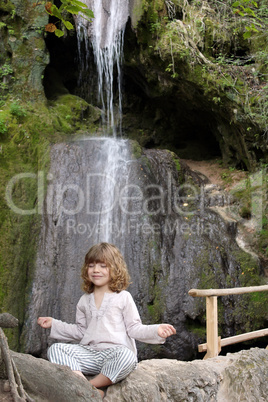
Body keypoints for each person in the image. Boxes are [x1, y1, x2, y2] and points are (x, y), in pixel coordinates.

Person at [37, 242, 176, 398]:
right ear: (86, 269)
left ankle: (89, 386)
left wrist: (156, 330)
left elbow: (134, 328)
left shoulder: (124, 297)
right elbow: (80, 331)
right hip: (89, 354)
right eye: (91, 266)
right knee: (56, 349)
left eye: (103, 266)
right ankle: (84, 386)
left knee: (128, 356)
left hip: (115, 354)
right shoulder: (84, 300)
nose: (96, 270)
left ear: (115, 269)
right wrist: (54, 324)